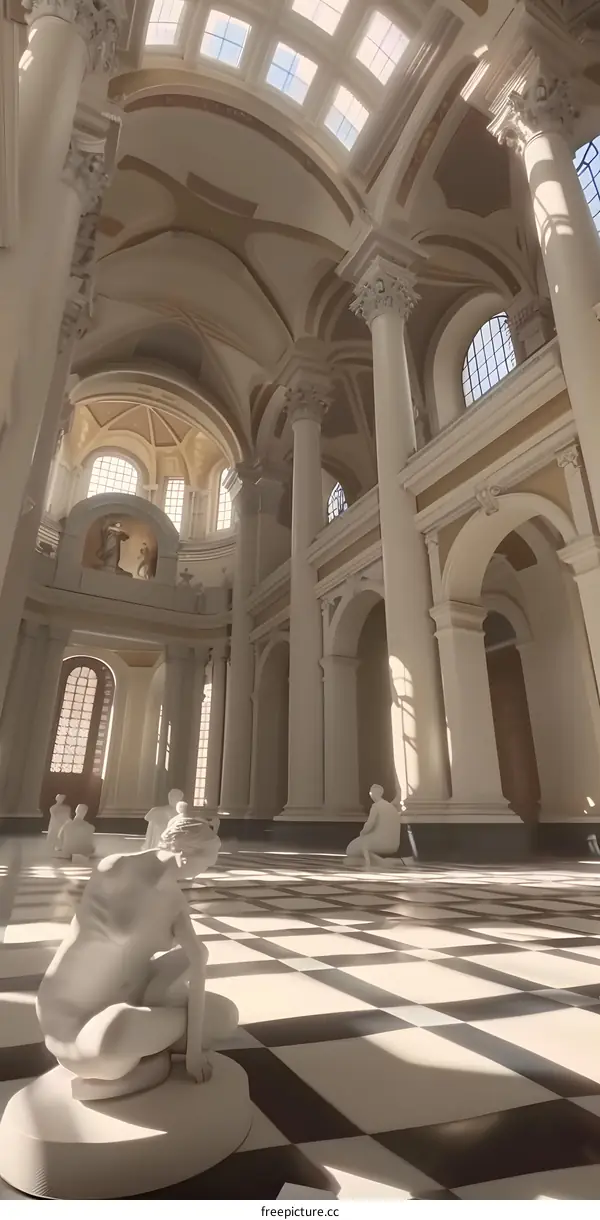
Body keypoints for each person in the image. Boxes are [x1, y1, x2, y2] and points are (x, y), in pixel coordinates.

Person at [345, 783, 401, 868]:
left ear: (371, 794)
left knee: (351, 849)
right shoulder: (391, 807)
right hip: (394, 844)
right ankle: (378, 860)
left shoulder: (376, 806)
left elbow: (369, 824)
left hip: (380, 842)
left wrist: (362, 833)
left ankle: (376, 861)